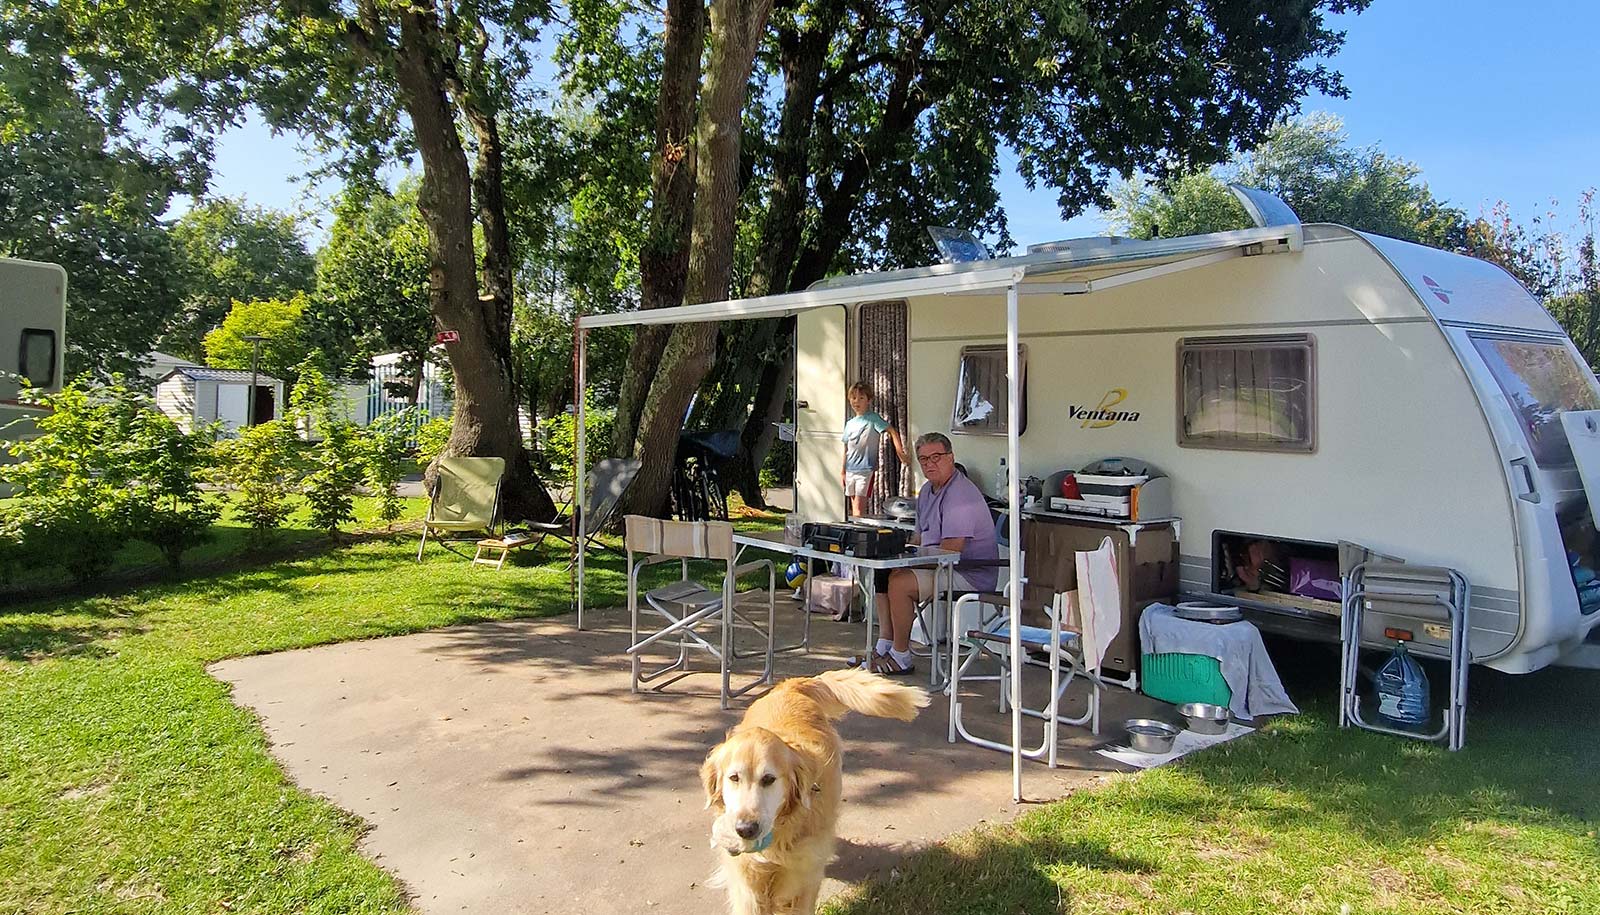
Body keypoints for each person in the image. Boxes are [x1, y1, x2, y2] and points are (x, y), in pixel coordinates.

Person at [856, 432, 997, 676]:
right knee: (882, 571)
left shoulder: (960, 494)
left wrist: (909, 559)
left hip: (970, 572)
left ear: (951, 457)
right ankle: (884, 646)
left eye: (936, 457)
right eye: (923, 459)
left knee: (900, 582)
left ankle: (901, 657)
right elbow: (920, 538)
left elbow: (951, 550)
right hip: (942, 565)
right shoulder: (927, 491)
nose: (929, 464)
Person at [841, 382, 908, 518]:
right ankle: (856, 531)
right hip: (850, 469)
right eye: (853, 398)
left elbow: (891, 431)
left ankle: (858, 533)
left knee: (859, 508)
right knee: (854, 508)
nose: (856, 402)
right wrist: (842, 470)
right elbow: (846, 448)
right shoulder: (850, 423)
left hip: (865, 469)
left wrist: (900, 453)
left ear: (869, 400)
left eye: (861, 398)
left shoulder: (873, 419)